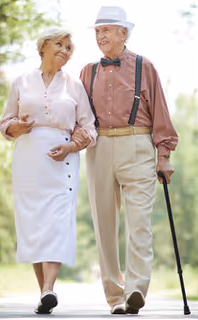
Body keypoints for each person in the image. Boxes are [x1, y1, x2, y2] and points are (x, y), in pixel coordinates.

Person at [71, 5, 178, 315]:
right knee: (104, 224)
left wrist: (165, 155)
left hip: (138, 144)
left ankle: (135, 290)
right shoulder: (86, 72)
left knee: (140, 224)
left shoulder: (146, 67)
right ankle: (115, 296)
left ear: (123, 33)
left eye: (106, 30)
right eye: (97, 31)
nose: (101, 36)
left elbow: (161, 113)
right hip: (99, 147)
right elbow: (79, 117)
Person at [0, 27, 97, 315]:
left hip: (62, 159)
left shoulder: (74, 86)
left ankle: (49, 289)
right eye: (60, 44)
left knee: (56, 221)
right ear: (43, 46)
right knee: (33, 223)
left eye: (69, 47)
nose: (65, 50)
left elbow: (89, 127)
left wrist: (70, 147)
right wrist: (17, 127)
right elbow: (5, 123)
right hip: (28, 159)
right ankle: (45, 294)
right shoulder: (21, 81)